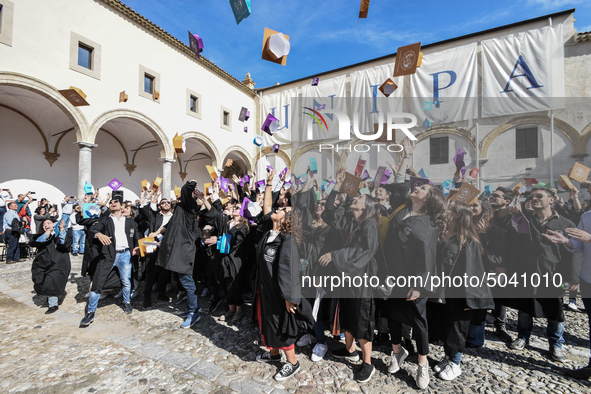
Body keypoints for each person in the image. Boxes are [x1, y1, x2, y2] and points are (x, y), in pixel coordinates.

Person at [320, 168, 381, 383]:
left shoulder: (369, 224)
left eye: (360, 198)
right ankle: (350, 350)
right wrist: (337, 186)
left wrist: (335, 255)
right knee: (346, 316)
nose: (356, 197)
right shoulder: (350, 220)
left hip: (361, 280)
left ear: (366, 207)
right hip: (346, 277)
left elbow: (367, 251)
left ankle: (367, 363)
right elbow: (328, 212)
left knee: (361, 319)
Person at [383, 183, 446, 389]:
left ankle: (422, 363)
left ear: (429, 198)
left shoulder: (428, 224)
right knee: (392, 314)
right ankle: (397, 351)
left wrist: (418, 285)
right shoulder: (402, 209)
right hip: (394, 275)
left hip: (414, 280)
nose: (417, 187)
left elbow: (427, 255)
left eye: (423, 188)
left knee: (418, 321)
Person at [254, 170, 313, 382]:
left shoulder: (286, 240)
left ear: (289, 218)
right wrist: (269, 184)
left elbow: (288, 270)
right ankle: (273, 354)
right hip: (265, 289)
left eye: (285, 209)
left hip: (280, 293)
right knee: (267, 322)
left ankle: (293, 362)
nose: (280, 208)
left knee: (281, 325)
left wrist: (290, 297)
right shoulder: (269, 232)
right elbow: (267, 208)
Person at [506, 187, 575, 363]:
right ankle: (523, 337)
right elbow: (513, 245)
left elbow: (573, 252)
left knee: (555, 310)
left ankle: (556, 344)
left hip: (553, 274)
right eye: (532, 196)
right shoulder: (526, 221)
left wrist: (571, 277)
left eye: (539, 196)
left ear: (551, 200)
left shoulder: (565, 224)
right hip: (528, 272)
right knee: (525, 307)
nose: (534, 198)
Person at [433, 201, 494, 381]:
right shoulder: (442, 234)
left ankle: (456, 362)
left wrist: (470, 299)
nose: (445, 210)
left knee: (457, 327)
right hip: (442, 289)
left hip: (459, 292)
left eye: (449, 208)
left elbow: (473, 270)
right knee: (445, 324)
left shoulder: (467, 239)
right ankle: (447, 356)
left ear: (458, 214)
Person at [544, 181, 591, 378]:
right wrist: (566, 241)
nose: (589, 190)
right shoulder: (587, 216)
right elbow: (579, 246)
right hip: (588, 278)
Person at [80, 194, 140, 327]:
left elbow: (137, 236)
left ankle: (127, 302)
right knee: (98, 282)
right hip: (109, 255)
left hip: (125, 255)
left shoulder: (130, 222)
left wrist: (137, 247)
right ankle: (90, 312)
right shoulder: (105, 220)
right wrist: (98, 233)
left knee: (126, 280)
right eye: (111, 202)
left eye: (116, 201)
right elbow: (92, 227)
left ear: (122, 206)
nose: (113, 203)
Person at [153, 180, 203, 329]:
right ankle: (193, 307)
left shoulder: (190, 206)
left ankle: (194, 312)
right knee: (184, 280)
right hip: (178, 250)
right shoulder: (181, 209)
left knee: (187, 281)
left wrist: (192, 183)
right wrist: (156, 233)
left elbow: (185, 191)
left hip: (184, 251)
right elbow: (170, 226)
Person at [201, 186, 249, 325]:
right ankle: (230, 309)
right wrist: (206, 198)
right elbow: (216, 214)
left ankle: (238, 310)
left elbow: (235, 241)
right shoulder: (227, 223)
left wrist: (218, 240)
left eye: (237, 208)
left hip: (235, 260)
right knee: (226, 284)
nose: (233, 209)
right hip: (223, 258)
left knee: (235, 284)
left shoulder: (243, 227)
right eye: (233, 207)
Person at [30, 219, 71, 314]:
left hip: (58, 263)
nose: (46, 225)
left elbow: (64, 243)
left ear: (54, 224)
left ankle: (53, 304)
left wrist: (61, 230)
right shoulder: (42, 236)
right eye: (44, 224)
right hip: (42, 264)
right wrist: (48, 232)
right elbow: (38, 242)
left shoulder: (60, 234)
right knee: (40, 280)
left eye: (48, 223)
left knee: (52, 281)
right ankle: (48, 295)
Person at [143, 195, 174, 308]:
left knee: (164, 273)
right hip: (153, 247)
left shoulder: (174, 217)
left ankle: (162, 293)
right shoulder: (155, 216)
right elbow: (145, 210)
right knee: (151, 273)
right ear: (159, 206)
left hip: (166, 248)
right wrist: (152, 197)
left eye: (168, 202)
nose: (166, 203)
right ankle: (147, 297)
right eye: (163, 202)